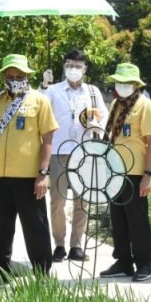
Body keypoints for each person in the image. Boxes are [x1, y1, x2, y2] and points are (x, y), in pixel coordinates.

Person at [0, 54, 58, 279]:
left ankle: (42, 275)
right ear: (4, 76)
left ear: (27, 76)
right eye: (10, 76)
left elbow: (48, 140)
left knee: (36, 227)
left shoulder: (39, 101)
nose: (14, 79)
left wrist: (43, 173)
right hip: (1, 176)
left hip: (29, 177)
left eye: (19, 76)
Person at [42, 49, 108, 263]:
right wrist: (43, 85)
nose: (73, 69)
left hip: (84, 151)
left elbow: (103, 114)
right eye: (69, 65)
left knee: (83, 201)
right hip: (59, 150)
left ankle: (76, 245)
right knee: (57, 201)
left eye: (78, 66)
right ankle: (59, 244)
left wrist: (96, 125)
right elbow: (40, 108)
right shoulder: (52, 90)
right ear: (64, 67)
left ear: (85, 69)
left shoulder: (92, 92)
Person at [99, 63, 151, 282]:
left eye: (126, 83)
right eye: (119, 82)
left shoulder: (146, 106)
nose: (121, 86)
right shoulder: (117, 104)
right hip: (115, 170)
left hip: (135, 172)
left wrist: (148, 175)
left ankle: (144, 264)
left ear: (136, 85)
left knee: (137, 220)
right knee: (118, 218)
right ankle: (123, 260)